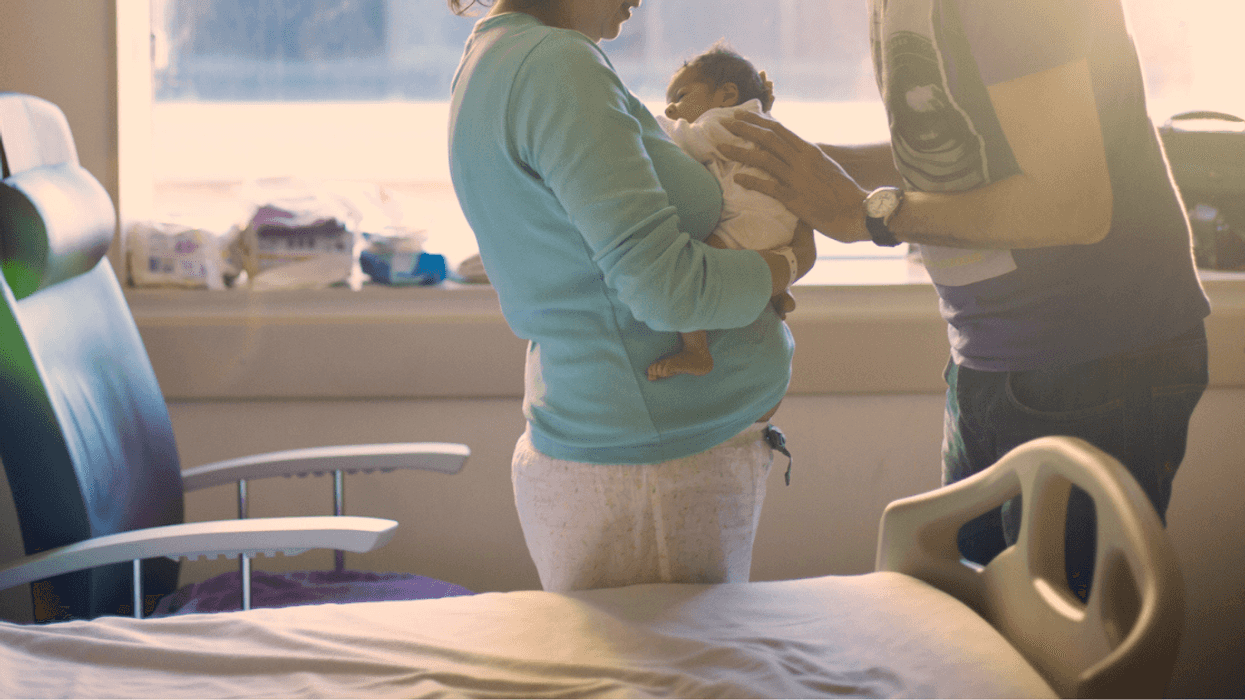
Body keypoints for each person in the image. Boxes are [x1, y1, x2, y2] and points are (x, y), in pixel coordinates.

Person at [719, 0, 1211, 602]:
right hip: (990, 359)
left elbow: (1071, 203)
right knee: (978, 641)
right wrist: (811, 173)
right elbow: (969, 142)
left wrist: (866, 214)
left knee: (1058, 669)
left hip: (1096, 362)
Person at [446, 0, 816, 592]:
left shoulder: (498, 55)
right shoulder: (557, 67)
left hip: (635, 450)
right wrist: (787, 262)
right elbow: (667, 290)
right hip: (652, 468)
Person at [648, 43, 799, 381]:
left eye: (680, 96)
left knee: (694, 276)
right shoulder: (757, 119)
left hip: (750, 223)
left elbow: (682, 141)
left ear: (728, 95)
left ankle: (696, 350)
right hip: (774, 224)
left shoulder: (726, 120)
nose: (671, 110)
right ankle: (776, 292)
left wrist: (643, 122)